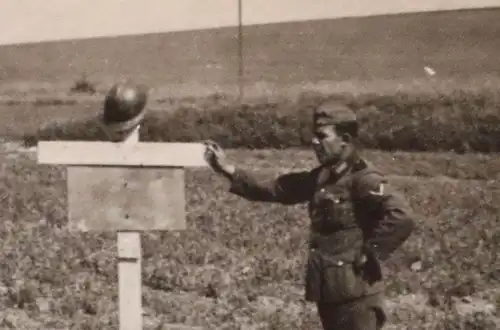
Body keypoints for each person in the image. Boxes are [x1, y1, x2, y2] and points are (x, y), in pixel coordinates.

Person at [203, 99, 417, 330]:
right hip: (330, 292)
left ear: (345, 140)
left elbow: (401, 216)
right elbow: (276, 188)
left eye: (322, 136)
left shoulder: (364, 179)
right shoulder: (323, 177)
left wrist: (370, 254)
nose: (314, 142)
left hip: (357, 297)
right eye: (314, 136)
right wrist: (227, 170)